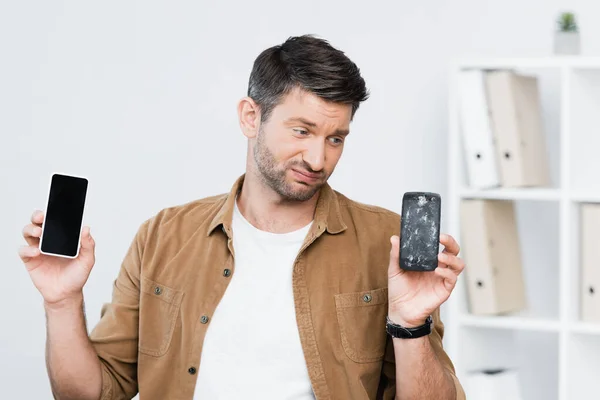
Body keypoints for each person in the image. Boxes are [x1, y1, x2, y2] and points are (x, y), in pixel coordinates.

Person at [19, 34, 466, 400]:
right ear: (251, 117)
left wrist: (411, 326)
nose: (318, 158)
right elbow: (89, 394)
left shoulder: (383, 241)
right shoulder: (164, 236)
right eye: (302, 131)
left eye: (336, 139)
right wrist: (61, 303)